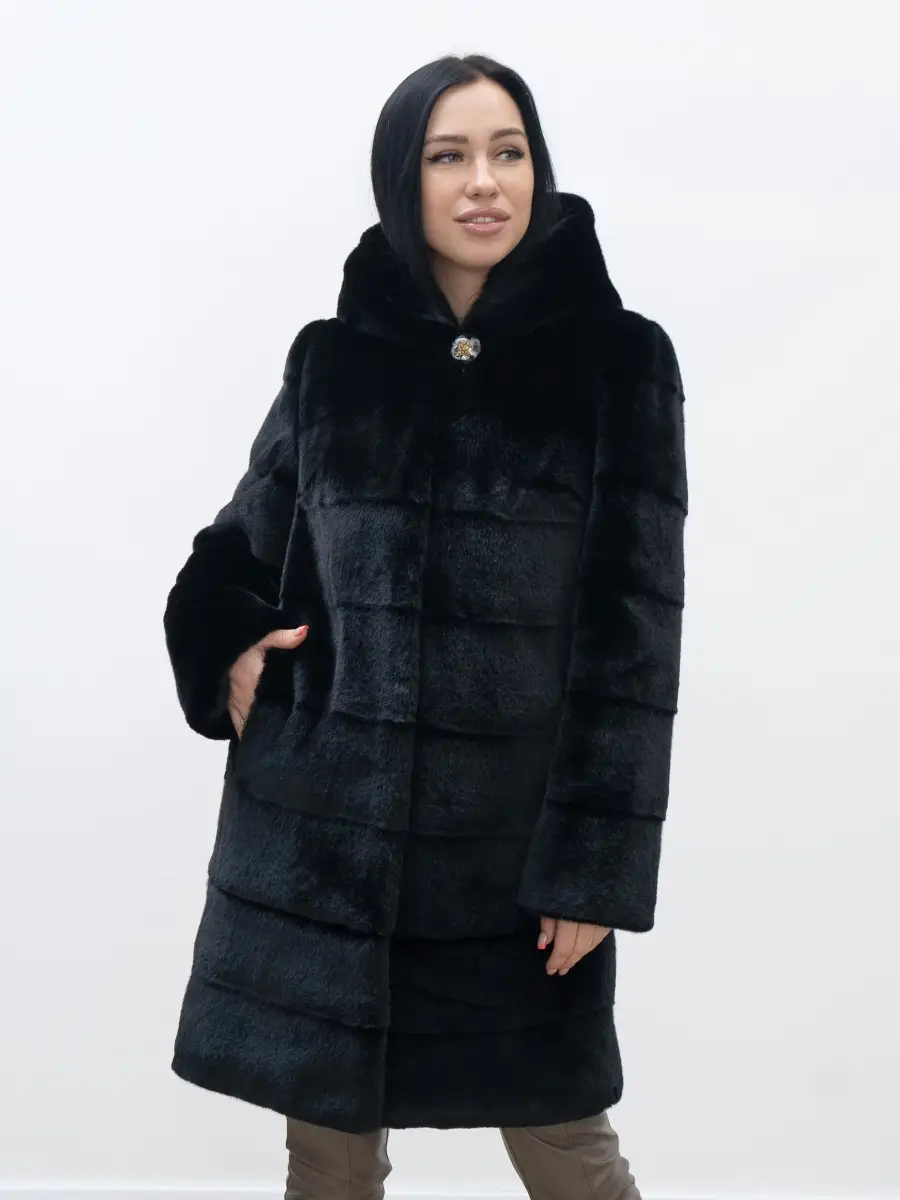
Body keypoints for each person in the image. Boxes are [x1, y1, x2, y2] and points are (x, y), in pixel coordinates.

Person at [163, 52, 688, 1200]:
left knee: (568, 1150)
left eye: (509, 152)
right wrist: (228, 647)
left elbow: (634, 642)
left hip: (509, 855)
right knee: (326, 1159)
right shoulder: (333, 361)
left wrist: (594, 866)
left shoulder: (618, 363)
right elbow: (231, 553)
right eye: (449, 157)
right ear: (403, 180)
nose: (484, 182)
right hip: (323, 848)